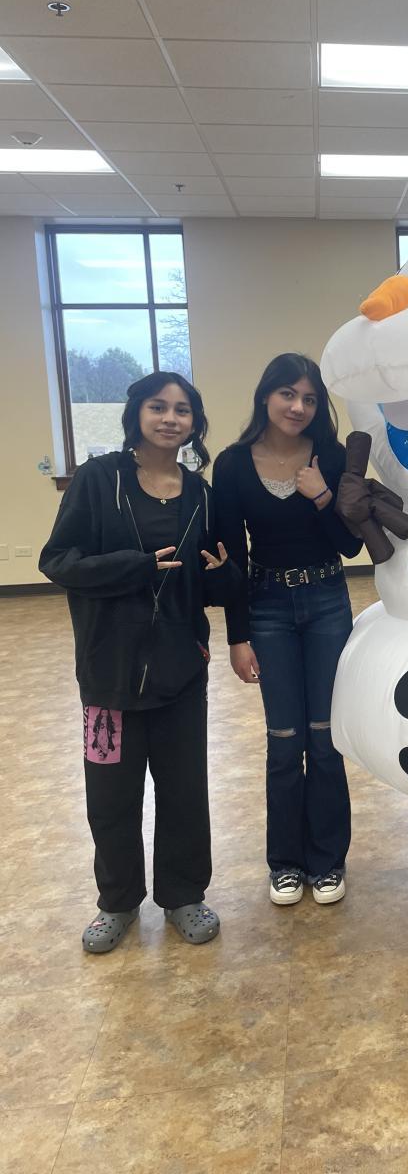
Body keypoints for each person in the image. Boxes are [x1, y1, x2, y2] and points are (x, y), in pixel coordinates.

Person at [40, 372, 240, 954]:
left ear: (194, 423)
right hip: (108, 673)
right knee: (111, 795)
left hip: (182, 668)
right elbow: (58, 560)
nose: (170, 418)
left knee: (184, 790)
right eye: (158, 407)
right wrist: (135, 565)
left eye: (182, 410)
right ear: (137, 414)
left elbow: (210, 577)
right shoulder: (99, 479)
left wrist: (223, 574)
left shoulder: (200, 493)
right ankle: (117, 901)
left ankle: (184, 894)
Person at [212, 353, 362, 908]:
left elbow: (351, 545)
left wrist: (322, 495)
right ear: (266, 396)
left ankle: (327, 861)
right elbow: (230, 557)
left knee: (324, 738)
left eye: (310, 399)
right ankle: (286, 864)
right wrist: (237, 636)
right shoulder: (232, 464)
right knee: (283, 741)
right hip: (268, 606)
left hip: (326, 601)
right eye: (288, 394)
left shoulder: (332, 457)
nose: (298, 407)